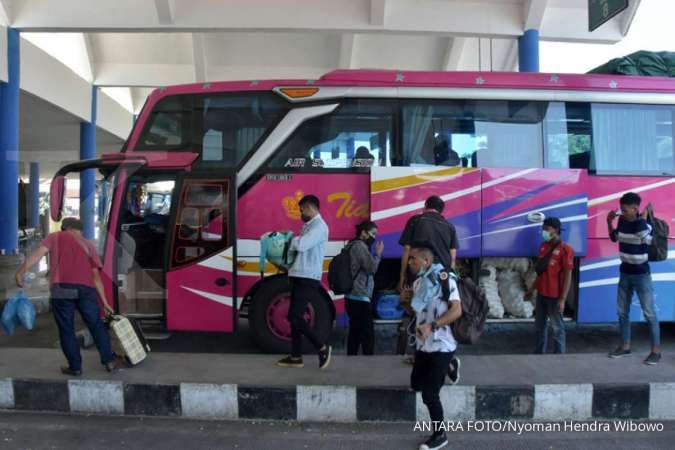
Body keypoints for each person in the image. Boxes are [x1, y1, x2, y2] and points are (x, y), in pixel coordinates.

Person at [14, 218, 119, 376]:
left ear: (64, 228)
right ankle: (109, 361)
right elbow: (95, 276)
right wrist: (104, 302)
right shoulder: (88, 245)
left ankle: (75, 367)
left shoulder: (55, 237)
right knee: (96, 325)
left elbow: (38, 254)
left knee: (66, 329)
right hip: (86, 289)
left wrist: (20, 271)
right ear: (80, 230)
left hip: (61, 289)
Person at [404, 244, 462, 450]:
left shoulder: (445, 280)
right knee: (416, 384)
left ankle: (440, 435)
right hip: (423, 345)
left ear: (426, 262)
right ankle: (451, 366)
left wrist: (433, 326)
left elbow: (456, 311)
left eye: (413, 259)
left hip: (442, 345)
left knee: (429, 394)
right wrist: (407, 303)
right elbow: (418, 312)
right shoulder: (419, 283)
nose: (409, 263)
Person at [276, 194, 332, 369]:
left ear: (311, 208)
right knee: (294, 317)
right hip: (299, 275)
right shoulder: (309, 226)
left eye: (302, 210)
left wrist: (290, 240)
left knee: (295, 316)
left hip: (308, 277)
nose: (301, 213)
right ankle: (295, 356)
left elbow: (301, 245)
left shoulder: (319, 227)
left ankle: (322, 347)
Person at [607, 192, 661, 365]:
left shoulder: (640, 225)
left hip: (641, 275)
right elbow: (614, 237)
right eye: (621, 210)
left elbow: (652, 242)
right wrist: (609, 222)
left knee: (649, 313)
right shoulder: (622, 222)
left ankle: (656, 352)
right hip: (624, 273)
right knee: (622, 312)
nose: (622, 213)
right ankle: (625, 347)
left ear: (635, 209)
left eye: (625, 210)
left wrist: (645, 221)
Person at [526, 217, 574, 354]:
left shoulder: (566, 250)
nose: (544, 232)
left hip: (555, 296)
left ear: (556, 230)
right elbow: (541, 273)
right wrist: (532, 289)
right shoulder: (543, 246)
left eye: (547, 229)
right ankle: (538, 353)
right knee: (539, 327)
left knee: (557, 328)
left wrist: (562, 299)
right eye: (543, 229)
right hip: (542, 294)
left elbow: (568, 276)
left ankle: (559, 357)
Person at [398, 195, 459, 291]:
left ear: (425, 205)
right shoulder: (450, 226)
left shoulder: (415, 220)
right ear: (441, 210)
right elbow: (453, 258)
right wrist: (450, 279)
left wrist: (403, 275)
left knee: (417, 303)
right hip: (441, 274)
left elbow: (407, 249)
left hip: (418, 271)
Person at [345, 220, 384, 356]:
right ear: (363, 233)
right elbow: (371, 268)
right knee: (368, 334)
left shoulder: (350, 245)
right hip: (360, 296)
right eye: (372, 234)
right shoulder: (360, 247)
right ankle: (368, 363)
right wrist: (378, 253)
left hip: (351, 295)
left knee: (355, 332)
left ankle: (351, 359)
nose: (374, 237)